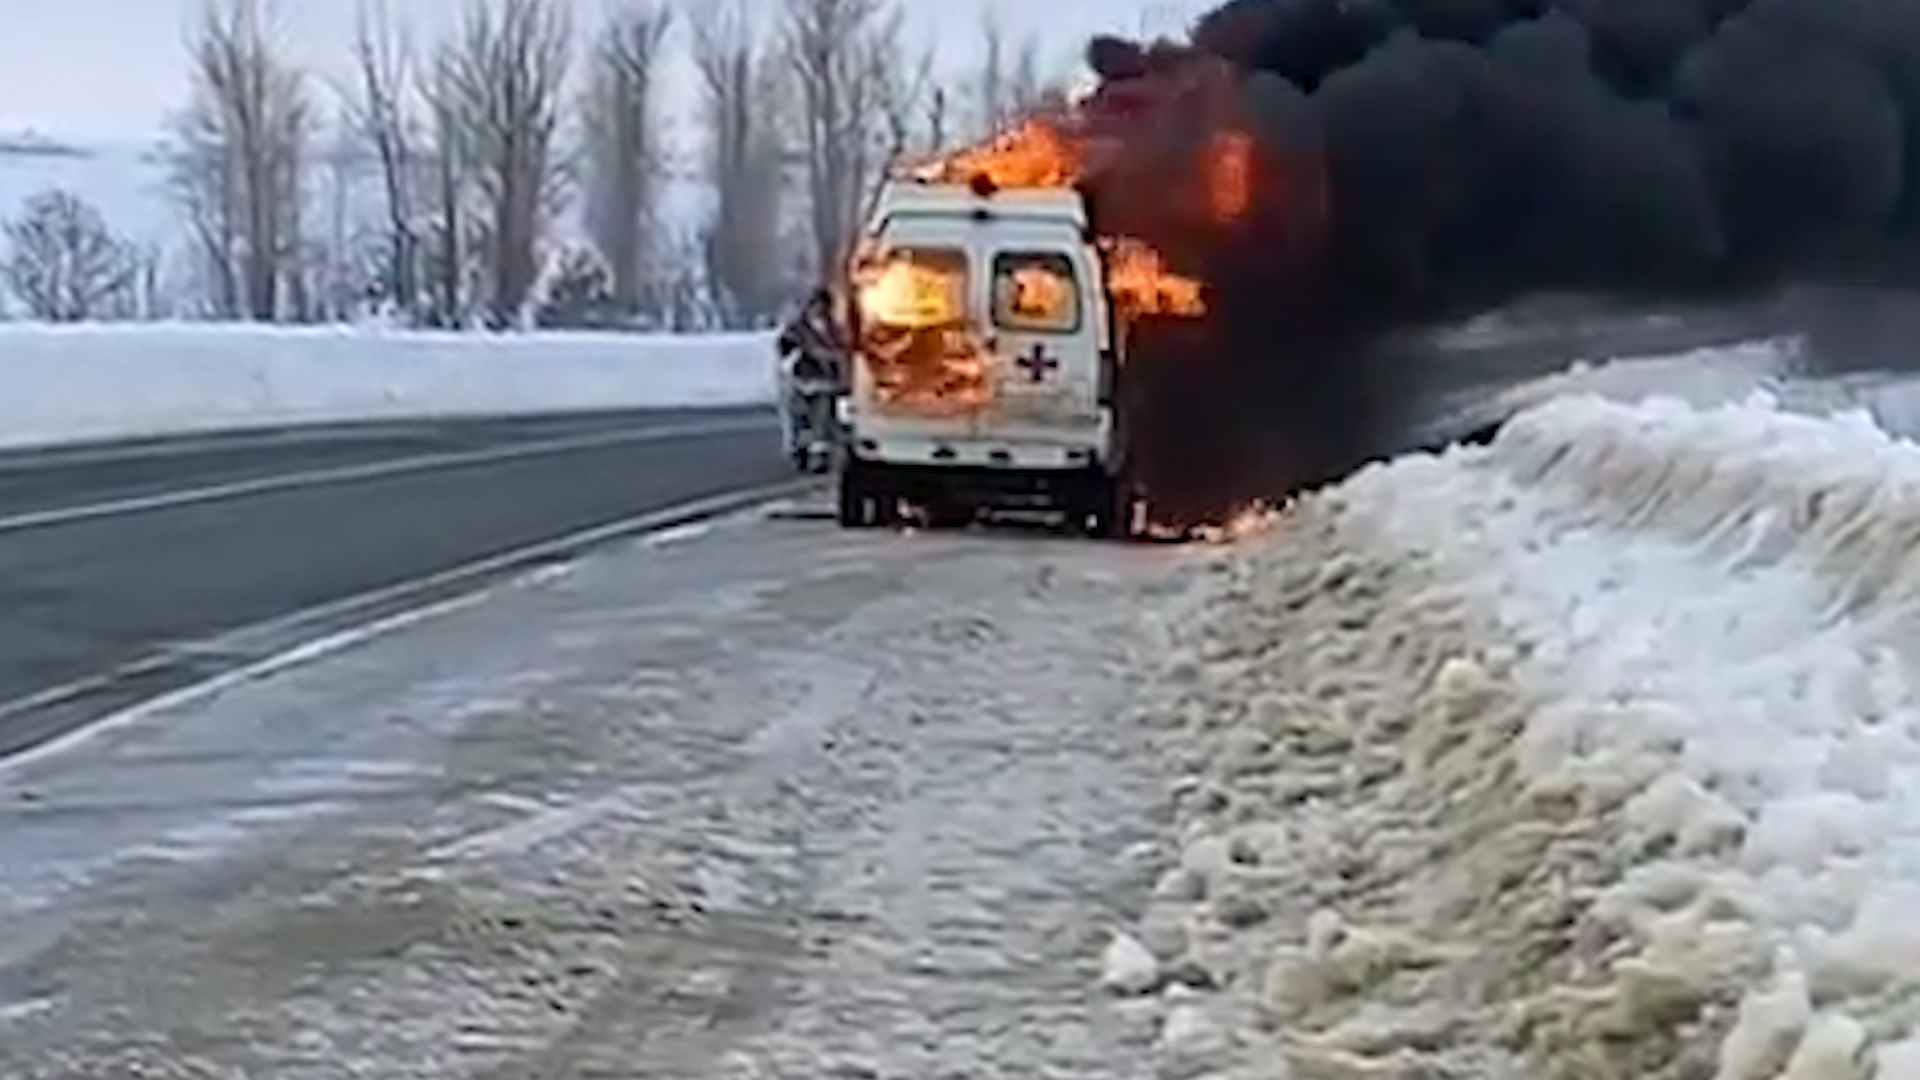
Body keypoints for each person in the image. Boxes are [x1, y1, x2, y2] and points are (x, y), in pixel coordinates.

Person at [775, 287, 846, 473]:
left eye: (823, 306)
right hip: (801, 380)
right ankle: (799, 449)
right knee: (798, 417)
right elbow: (784, 348)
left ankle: (820, 456)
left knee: (822, 420)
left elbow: (844, 351)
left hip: (825, 383)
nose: (819, 310)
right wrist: (795, 354)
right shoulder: (798, 328)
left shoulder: (835, 329)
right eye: (816, 305)